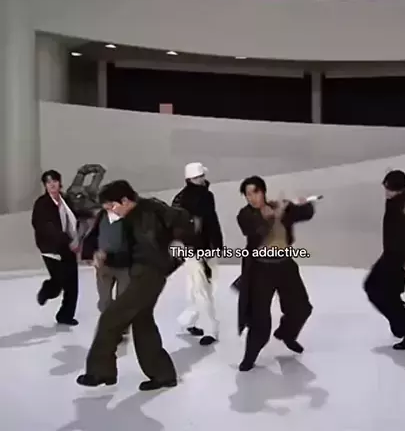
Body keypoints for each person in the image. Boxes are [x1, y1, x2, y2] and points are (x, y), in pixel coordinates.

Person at [77, 180, 194, 391]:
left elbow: (184, 220)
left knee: (111, 317)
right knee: (143, 323)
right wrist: (106, 257)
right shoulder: (129, 219)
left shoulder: (152, 208)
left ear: (125, 200)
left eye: (113, 206)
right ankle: (163, 374)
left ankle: (101, 371)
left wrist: (177, 247)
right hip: (139, 272)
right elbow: (129, 253)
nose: (113, 211)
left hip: (151, 274)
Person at [236, 176, 315, 371]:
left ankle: (286, 334)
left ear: (263, 191)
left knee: (301, 308)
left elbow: (304, 214)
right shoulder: (246, 214)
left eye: (255, 192)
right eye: (248, 194)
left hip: (285, 265)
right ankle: (249, 357)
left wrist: (304, 205)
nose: (252, 197)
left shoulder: (279, 206)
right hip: (261, 269)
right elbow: (255, 230)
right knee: (259, 320)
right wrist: (272, 216)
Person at [364, 170, 405, 350]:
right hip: (391, 254)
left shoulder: (400, 203)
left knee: (380, 292)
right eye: (386, 188)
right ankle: (403, 325)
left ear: (399, 189)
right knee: (380, 291)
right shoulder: (396, 199)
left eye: (389, 189)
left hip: (397, 256)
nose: (386, 192)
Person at [173, 162, 224, 346]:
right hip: (200, 250)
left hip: (194, 250)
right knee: (204, 290)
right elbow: (209, 224)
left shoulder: (181, 198)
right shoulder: (203, 196)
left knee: (198, 288)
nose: (203, 179)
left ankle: (187, 321)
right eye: (201, 176)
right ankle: (210, 330)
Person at [32, 170, 82, 326]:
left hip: (68, 246)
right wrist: (64, 238)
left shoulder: (66, 200)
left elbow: (75, 216)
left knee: (72, 283)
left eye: (54, 181)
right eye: (48, 182)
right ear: (45, 185)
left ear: (60, 183)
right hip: (51, 248)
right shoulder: (42, 204)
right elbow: (43, 226)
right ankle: (47, 290)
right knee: (59, 281)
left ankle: (65, 315)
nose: (52, 184)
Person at [81, 205, 130, 339]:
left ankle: (119, 326)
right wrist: (88, 254)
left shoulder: (131, 217)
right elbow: (93, 235)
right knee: (104, 301)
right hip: (104, 266)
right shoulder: (102, 215)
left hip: (125, 267)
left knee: (123, 300)